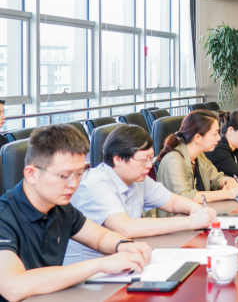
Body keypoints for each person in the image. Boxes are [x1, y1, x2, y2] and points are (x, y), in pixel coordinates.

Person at [0, 125, 152, 302]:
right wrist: (100, 264)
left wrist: (124, 246)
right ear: (31, 174)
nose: (73, 184)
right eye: (65, 176)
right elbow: (14, 287)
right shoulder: (4, 217)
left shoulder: (59, 207)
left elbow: (99, 237)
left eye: (80, 173)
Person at [65, 125, 217, 264]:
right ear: (118, 159)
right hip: (90, 271)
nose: (149, 165)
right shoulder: (96, 184)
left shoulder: (137, 178)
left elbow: (171, 201)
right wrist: (190, 222)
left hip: (122, 260)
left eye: (150, 158)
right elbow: (126, 228)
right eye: (143, 160)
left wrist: (197, 210)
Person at [156, 110, 238, 217]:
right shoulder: (173, 160)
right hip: (176, 222)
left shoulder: (199, 156)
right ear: (198, 138)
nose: (218, 138)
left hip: (197, 217)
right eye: (215, 134)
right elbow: (185, 196)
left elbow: (216, 178)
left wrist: (227, 180)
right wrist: (226, 194)